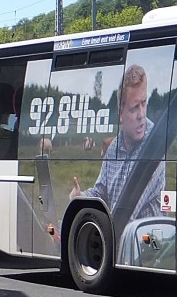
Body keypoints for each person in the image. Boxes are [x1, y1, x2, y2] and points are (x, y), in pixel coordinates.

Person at [70, 64, 165, 223]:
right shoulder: (113, 148)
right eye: (135, 108)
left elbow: (127, 211)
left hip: (146, 242)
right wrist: (81, 198)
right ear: (121, 114)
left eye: (144, 103)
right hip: (119, 238)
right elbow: (101, 192)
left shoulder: (153, 145)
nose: (141, 115)